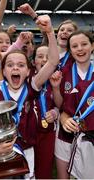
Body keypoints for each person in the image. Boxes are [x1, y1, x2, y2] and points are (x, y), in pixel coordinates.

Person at [0, 14, 59, 178]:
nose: (15, 69)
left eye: (21, 65)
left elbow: (53, 61)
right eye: (10, 65)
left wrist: (50, 32)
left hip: (27, 150)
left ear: (28, 71)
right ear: (4, 70)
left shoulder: (32, 87)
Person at [51, 30, 94, 179]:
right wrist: (56, 87)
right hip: (65, 134)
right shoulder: (63, 72)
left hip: (90, 137)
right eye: (74, 46)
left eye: (84, 44)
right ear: (70, 50)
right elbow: (61, 105)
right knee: (64, 177)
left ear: (92, 46)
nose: (80, 49)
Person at [32, 44, 59, 179]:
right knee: (28, 169)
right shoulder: (26, 79)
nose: (44, 60)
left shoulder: (57, 79)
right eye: (40, 56)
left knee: (44, 169)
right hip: (29, 132)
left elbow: (62, 105)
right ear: (33, 61)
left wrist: (55, 112)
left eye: (48, 57)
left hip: (48, 133)